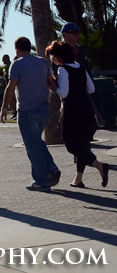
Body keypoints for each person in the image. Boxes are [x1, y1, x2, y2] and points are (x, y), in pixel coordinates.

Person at [0, 36, 61, 191]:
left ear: (17, 49)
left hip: (27, 111)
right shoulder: (42, 62)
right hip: (43, 109)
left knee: (32, 148)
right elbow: (51, 82)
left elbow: (10, 87)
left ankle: (42, 181)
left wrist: (4, 108)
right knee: (37, 142)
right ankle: (51, 169)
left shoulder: (17, 64)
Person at [46, 40, 109, 189]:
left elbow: (64, 93)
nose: (53, 60)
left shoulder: (63, 70)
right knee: (83, 144)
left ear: (58, 57)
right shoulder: (80, 66)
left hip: (72, 111)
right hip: (86, 108)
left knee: (71, 145)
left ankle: (99, 165)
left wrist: (53, 86)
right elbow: (91, 88)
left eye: (53, 57)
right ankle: (78, 179)